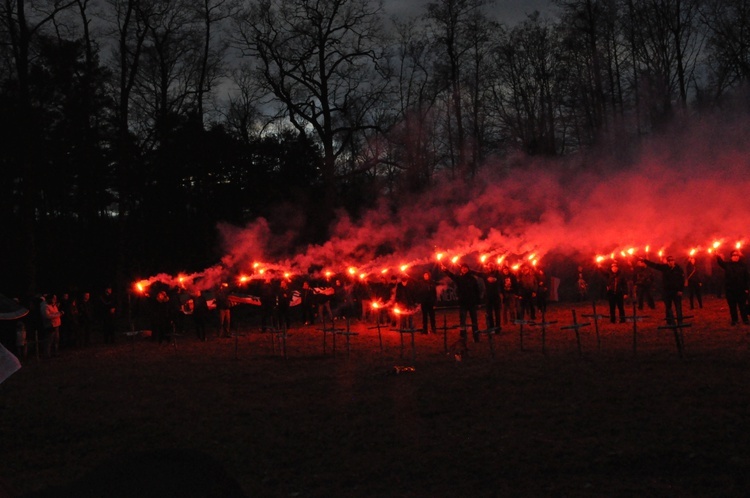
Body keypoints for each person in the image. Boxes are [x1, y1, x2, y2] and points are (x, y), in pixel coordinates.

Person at [441, 263, 480, 343]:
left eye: (466, 268)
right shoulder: (459, 278)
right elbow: (452, 276)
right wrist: (445, 270)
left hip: (472, 302)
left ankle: (476, 337)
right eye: (463, 268)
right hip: (463, 303)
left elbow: (477, 290)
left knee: (474, 320)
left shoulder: (473, 279)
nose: (464, 269)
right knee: (462, 321)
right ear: (461, 269)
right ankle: (463, 337)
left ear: (468, 269)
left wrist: (478, 301)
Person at [641, 255, 685, 325]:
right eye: (669, 261)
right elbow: (655, 265)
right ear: (667, 262)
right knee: (668, 307)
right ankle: (669, 321)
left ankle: (680, 321)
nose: (671, 262)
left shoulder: (678, 269)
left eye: (672, 261)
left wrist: (680, 290)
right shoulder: (665, 268)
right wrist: (645, 261)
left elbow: (682, 280)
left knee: (678, 307)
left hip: (676, 291)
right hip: (667, 291)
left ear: (674, 261)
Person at [716, 250, 750, 325]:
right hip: (730, 290)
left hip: (741, 290)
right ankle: (734, 320)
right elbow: (720, 263)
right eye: (734, 256)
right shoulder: (727, 265)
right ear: (731, 257)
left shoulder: (743, 265)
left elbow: (747, 278)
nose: (736, 257)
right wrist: (717, 255)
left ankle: (745, 320)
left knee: (742, 306)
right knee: (732, 306)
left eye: (737, 256)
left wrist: (747, 288)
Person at [472, 263, 501, 331]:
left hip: (496, 296)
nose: (490, 267)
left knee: (497, 313)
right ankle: (491, 327)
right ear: (487, 267)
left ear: (494, 267)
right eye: (489, 266)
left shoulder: (498, 274)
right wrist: (468, 270)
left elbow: (500, 278)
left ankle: (498, 328)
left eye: (491, 266)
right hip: (488, 297)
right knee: (489, 313)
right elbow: (477, 273)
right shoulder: (485, 275)